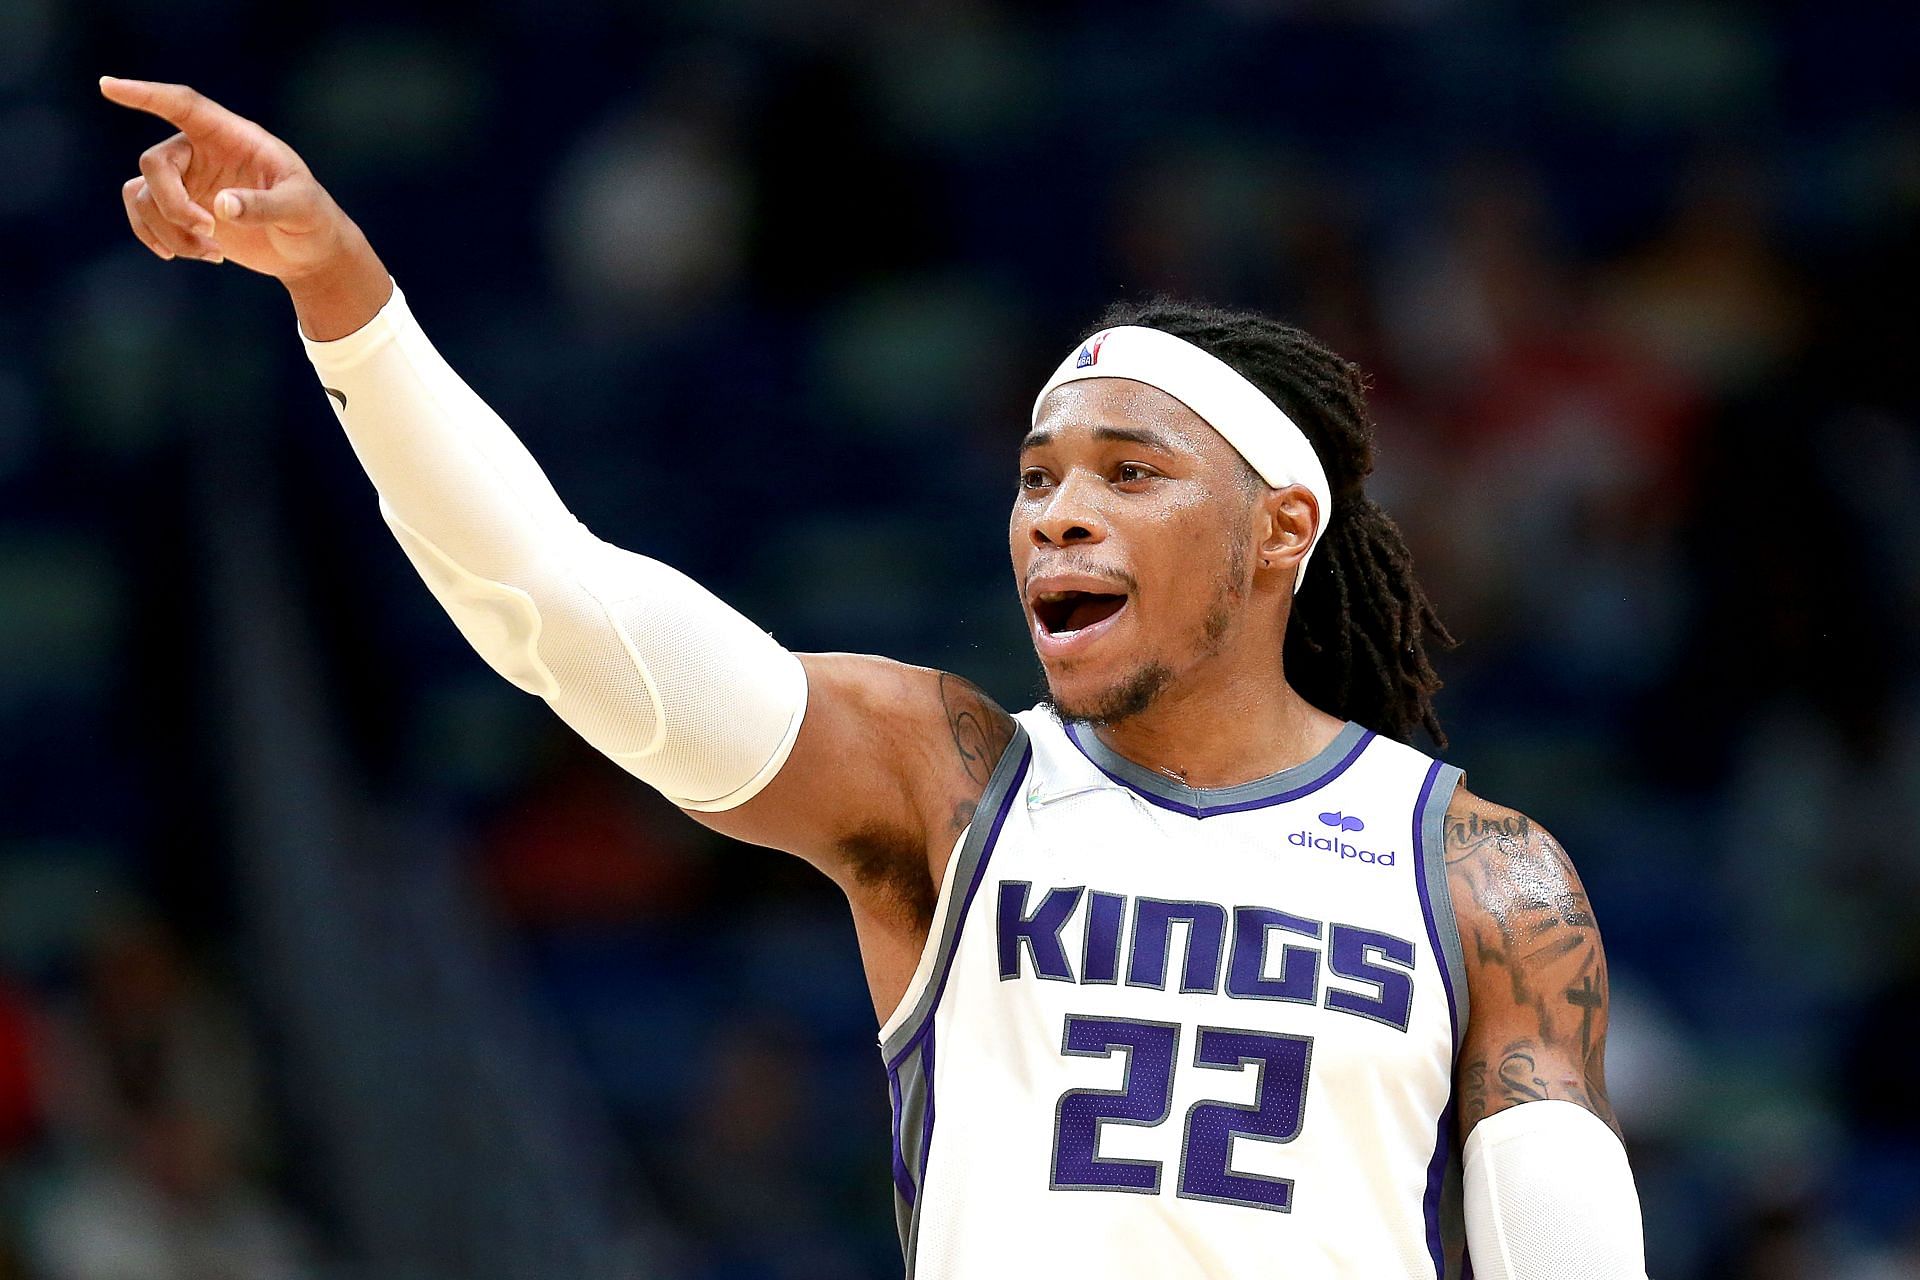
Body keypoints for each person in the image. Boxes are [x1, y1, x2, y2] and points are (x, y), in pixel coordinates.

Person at [102, 76, 1648, 1279]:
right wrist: (343, 293)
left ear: (1280, 528)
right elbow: (552, 606)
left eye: (1128, 471)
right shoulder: (949, 780)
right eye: (1038, 476)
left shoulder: (1477, 875)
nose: (1059, 509)